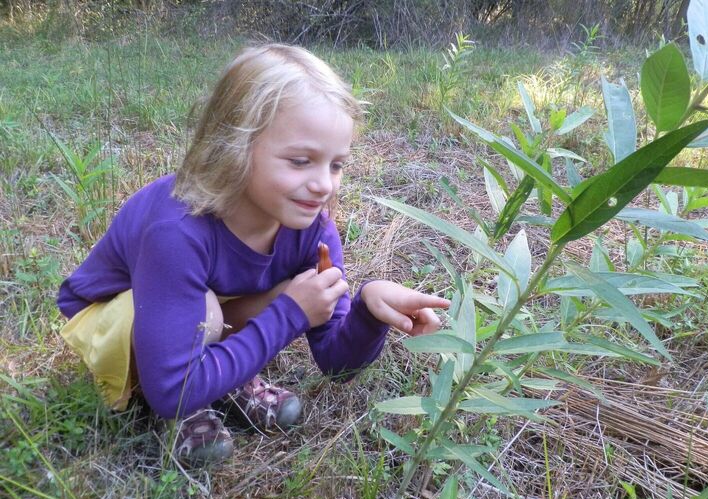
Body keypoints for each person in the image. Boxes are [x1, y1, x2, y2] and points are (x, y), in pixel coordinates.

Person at [56, 43, 450, 466]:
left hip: (189, 305)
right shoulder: (177, 232)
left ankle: (223, 374)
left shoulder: (311, 224)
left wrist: (368, 309)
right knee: (210, 313)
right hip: (112, 319)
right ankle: (200, 397)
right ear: (234, 147)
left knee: (294, 289)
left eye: (336, 165)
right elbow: (171, 390)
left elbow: (337, 363)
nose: (324, 185)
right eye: (301, 161)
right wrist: (290, 313)